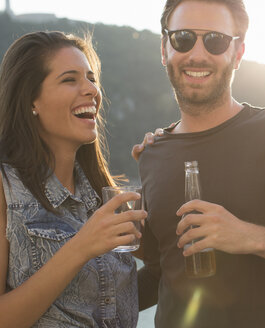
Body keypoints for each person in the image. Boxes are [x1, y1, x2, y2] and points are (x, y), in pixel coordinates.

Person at [132, 0, 265, 327]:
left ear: (237, 54)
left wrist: (250, 237)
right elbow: (161, 270)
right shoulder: (152, 153)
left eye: (215, 40)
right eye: (182, 38)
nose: (197, 54)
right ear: (164, 48)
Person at [0, 31, 147, 327]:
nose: (91, 90)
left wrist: (162, 163)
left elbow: (127, 295)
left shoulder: (104, 198)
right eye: (70, 79)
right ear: (32, 100)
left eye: (91, 78)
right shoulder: (6, 188)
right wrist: (81, 247)